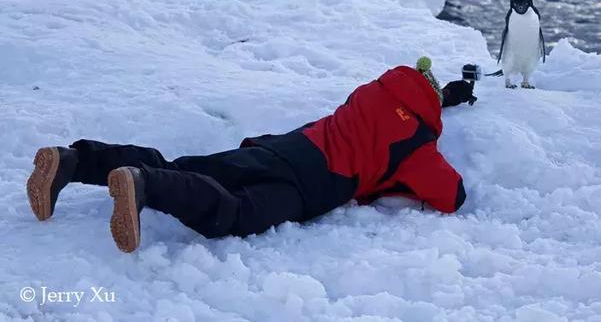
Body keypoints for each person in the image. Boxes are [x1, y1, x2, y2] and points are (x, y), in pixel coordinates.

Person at [26, 57, 475, 253]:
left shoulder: (374, 92)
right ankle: (145, 186)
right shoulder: (418, 144)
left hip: (276, 148)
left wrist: (434, 104)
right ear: (434, 105)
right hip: (304, 186)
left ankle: (73, 161)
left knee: (183, 165)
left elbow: (400, 109)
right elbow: (451, 196)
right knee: (234, 214)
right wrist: (429, 134)